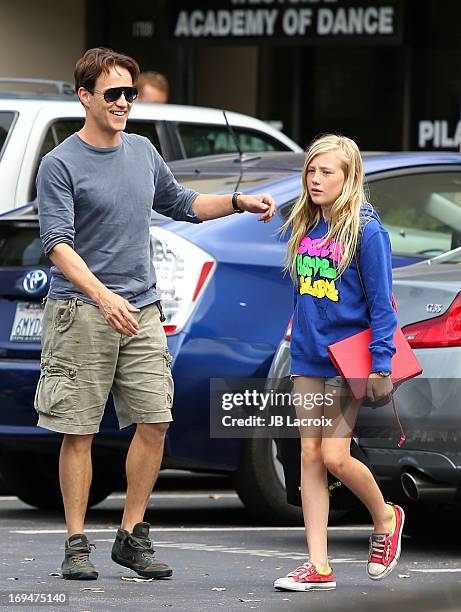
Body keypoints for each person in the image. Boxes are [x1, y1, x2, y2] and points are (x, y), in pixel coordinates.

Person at [35, 47, 275, 582]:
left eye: (130, 93)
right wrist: (102, 296)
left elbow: (182, 203)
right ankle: (77, 541)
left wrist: (239, 201)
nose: (123, 103)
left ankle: (130, 534)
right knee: (78, 430)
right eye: (112, 94)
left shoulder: (142, 151)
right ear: (85, 97)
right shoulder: (60, 163)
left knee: (157, 419)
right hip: (83, 310)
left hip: (141, 309)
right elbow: (56, 243)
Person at [273, 134, 404, 592]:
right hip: (307, 357)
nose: (316, 179)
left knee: (334, 455)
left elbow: (382, 305)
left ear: (349, 179)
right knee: (309, 455)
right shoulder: (307, 228)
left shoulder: (367, 230)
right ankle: (318, 566)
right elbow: (304, 295)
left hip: (346, 361)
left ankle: (386, 517)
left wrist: (381, 365)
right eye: (312, 170)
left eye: (327, 172)